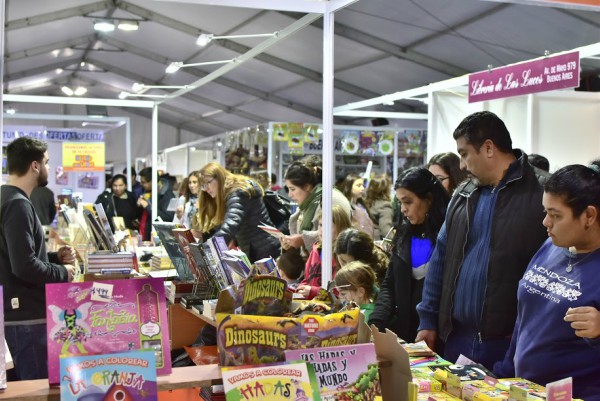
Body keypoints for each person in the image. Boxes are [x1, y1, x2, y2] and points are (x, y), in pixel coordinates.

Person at [416, 111, 549, 369]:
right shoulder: (463, 195)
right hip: (456, 340)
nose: (461, 165)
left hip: (510, 345)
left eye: (464, 154)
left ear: (488, 148)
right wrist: (428, 319)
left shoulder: (543, 193)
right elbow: (440, 259)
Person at [495, 164, 600, 399]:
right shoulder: (551, 245)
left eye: (555, 215)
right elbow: (525, 318)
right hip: (525, 389)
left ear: (589, 216)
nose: (545, 222)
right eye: (546, 212)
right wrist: (505, 372)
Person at [0, 137, 78, 380]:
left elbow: (15, 254)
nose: (48, 167)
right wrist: (63, 272)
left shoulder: (7, 197)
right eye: (46, 162)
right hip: (25, 318)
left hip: (16, 314)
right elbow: (24, 266)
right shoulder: (17, 204)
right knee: (34, 389)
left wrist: (54, 258)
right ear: (35, 166)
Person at [369, 168, 450, 342]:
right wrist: (376, 323)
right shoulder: (404, 233)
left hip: (439, 336)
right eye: (400, 202)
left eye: (408, 202)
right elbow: (390, 284)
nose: (403, 209)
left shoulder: (449, 235)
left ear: (429, 199)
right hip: (405, 333)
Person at [196, 162, 280, 262]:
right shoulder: (230, 192)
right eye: (203, 185)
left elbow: (231, 224)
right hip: (258, 250)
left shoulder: (238, 192)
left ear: (219, 177)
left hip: (265, 252)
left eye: (208, 183)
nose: (206, 189)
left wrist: (206, 250)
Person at [281, 155, 351, 255]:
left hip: (330, 261)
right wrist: (290, 244)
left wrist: (303, 239)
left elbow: (337, 231)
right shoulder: (309, 202)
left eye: (292, 189)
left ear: (307, 186)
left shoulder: (330, 198)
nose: (290, 195)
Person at [296, 205, 352, 299]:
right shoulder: (316, 250)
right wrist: (301, 288)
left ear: (341, 228)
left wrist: (313, 291)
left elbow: (340, 289)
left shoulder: (342, 254)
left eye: (328, 226)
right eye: (320, 225)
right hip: (312, 303)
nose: (322, 230)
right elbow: (307, 279)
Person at [137, 167, 176, 241]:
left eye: (144, 182)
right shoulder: (148, 192)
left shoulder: (168, 195)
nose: (141, 184)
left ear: (152, 181)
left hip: (160, 238)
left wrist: (147, 206)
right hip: (147, 235)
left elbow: (167, 218)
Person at [339, 173, 375, 237]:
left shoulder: (361, 205)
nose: (362, 188)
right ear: (349, 187)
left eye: (363, 185)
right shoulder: (345, 206)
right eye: (358, 185)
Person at [364, 174, 394, 240]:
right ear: (386, 189)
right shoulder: (385, 206)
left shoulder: (365, 203)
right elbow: (386, 231)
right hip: (376, 241)